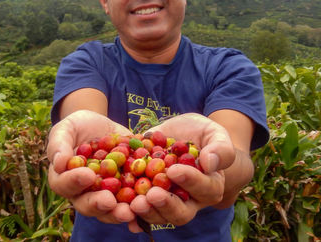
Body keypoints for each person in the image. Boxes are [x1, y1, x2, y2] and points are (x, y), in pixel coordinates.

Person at [46, 0, 269, 241]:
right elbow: (85, 133)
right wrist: (79, 153)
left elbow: (235, 158)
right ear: (105, 3)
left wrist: (218, 164)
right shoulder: (86, 62)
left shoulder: (230, 69)